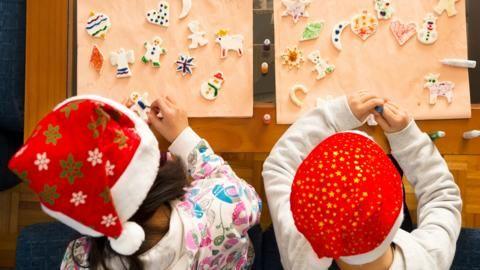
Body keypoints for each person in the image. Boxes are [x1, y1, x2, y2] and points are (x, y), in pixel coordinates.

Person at [8, 95, 262, 269]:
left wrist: (116, 140)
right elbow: (248, 198)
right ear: (160, 169)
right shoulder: (222, 207)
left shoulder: (79, 261)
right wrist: (184, 137)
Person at [262, 91, 462, 270]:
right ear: (398, 209)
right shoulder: (428, 260)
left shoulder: (300, 257)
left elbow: (278, 167)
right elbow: (442, 198)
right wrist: (407, 138)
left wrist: (334, 117)